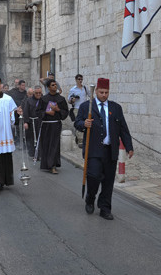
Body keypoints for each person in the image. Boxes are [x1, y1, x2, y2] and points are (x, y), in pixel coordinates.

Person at [75, 78, 133, 220]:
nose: (104, 95)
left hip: (110, 150)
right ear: (96, 92)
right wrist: (84, 123)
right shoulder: (86, 107)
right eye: (101, 92)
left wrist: (129, 146)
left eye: (106, 92)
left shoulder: (115, 108)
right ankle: (90, 198)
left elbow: (123, 129)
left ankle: (105, 208)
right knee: (93, 177)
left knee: (108, 182)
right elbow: (77, 123)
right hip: (93, 150)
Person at [36, 80, 68, 173]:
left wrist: (57, 109)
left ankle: (53, 165)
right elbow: (38, 111)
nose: (55, 86)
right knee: (46, 144)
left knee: (54, 144)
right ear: (48, 87)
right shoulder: (43, 99)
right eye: (52, 85)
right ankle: (46, 164)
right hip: (46, 125)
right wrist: (46, 112)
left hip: (56, 124)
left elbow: (65, 112)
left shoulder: (61, 99)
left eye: (55, 85)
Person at [22, 85, 42, 158]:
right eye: (37, 93)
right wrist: (26, 122)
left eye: (40, 93)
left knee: (40, 138)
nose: (38, 94)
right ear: (34, 93)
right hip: (31, 122)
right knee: (32, 138)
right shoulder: (29, 100)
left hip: (40, 121)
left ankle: (40, 154)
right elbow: (26, 111)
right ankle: (33, 153)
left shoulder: (43, 100)